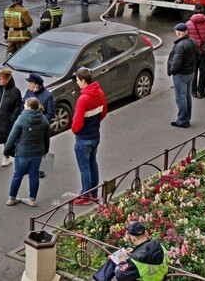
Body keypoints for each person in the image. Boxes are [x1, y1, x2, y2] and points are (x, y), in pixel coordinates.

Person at [3, 97, 50, 208]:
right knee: (34, 176)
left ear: (29, 106)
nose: (24, 106)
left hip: (23, 153)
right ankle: (32, 199)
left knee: (17, 175)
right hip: (38, 153)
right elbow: (46, 138)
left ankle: (12, 198)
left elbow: (12, 137)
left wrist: (6, 151)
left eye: (25, 104)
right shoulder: (44, 120)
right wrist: (45, 151)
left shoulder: (21, 119)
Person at [71, 67, 107, 205]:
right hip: (95, 135)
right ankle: (94, 193)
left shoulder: (83, 99)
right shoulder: (100, 94)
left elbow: (77, 122)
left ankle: (85, 195)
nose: (77, 83)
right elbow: (103, 113)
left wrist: (75, 130)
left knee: (84, 168)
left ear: (83, 81)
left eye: (78, 80)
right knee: (93, 164)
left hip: (83, 138)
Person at [93, 221, 169, 281]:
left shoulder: (136, 262)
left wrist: (122, 263)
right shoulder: (161, 247)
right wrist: (136, 252)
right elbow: (149, 255)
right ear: (146, 233)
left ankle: (101, 277)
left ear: (133, 239)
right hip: (160, 278)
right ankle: (101, 277)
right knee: (116, 259)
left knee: (115, 261)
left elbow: (120, 276)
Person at [23, 73, 55, 178]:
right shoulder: (29, 92)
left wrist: (42, 122)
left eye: (30, 83)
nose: (28, 85)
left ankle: (41, 169)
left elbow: (51, 113)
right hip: (28, 126)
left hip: (40, 128)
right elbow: (22, 107)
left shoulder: (47, 96)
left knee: (42, 148)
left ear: (36, 85)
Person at [167, 23, 198, 129]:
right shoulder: (192, 41)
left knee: (181, 97)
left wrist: (171, 71)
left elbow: (176, 63)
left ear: (179, 32)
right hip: (190, 72)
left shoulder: (180, 45)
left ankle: (182, 120)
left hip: (181, 75)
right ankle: (187, 117)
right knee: (187, 96)